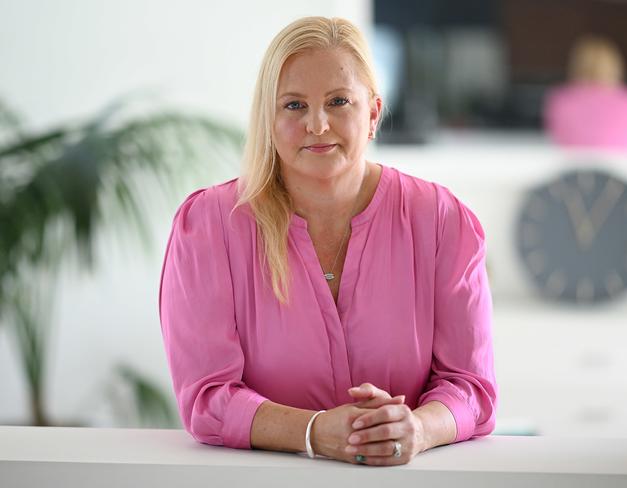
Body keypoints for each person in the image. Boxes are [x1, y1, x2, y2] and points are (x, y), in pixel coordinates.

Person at [158, 16, 497, 466]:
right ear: (268, 117)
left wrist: (417, 429)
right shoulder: (210, 226)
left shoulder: (441, 220)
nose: (317, 125)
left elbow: (470, 387)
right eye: (294, 106)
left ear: (373, 112)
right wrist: (314, 432)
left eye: (338, 101)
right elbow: (206, 397)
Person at [544, 35, 627, 150]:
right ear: (615, 66)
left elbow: (559, 137)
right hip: (624, 166)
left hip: (576, 166)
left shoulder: (559, 99)